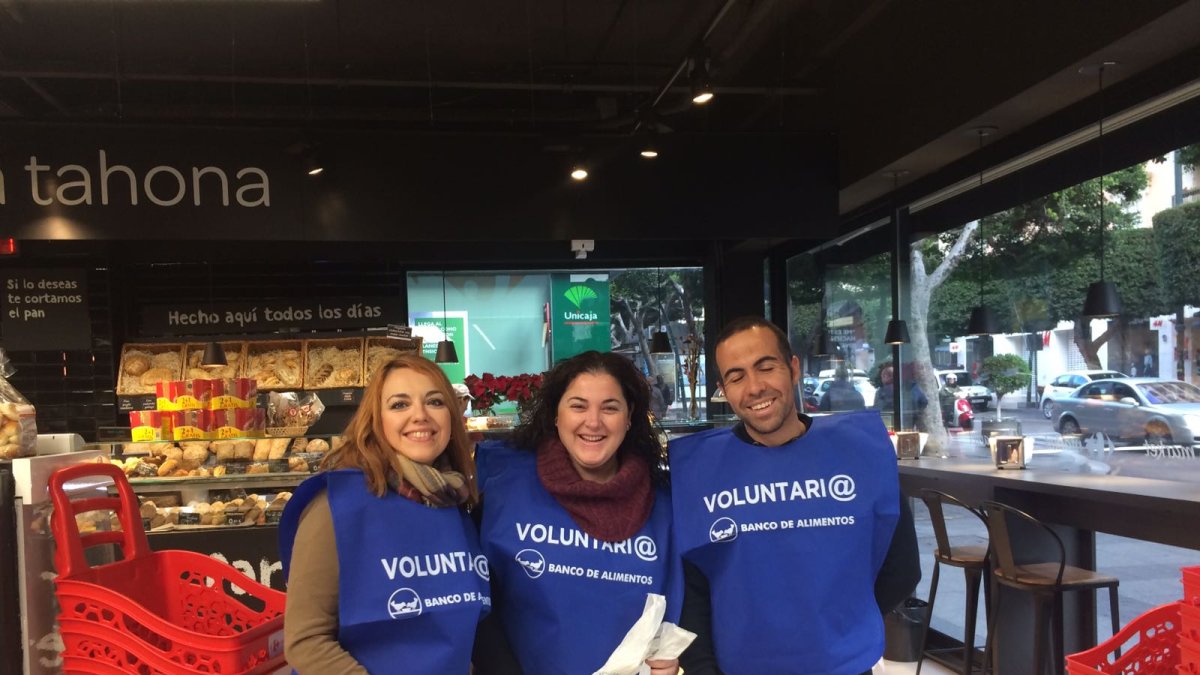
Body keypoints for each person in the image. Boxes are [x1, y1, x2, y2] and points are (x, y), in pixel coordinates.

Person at [669, 316, 920, 675]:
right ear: (724, 388)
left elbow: (902, 566)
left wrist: (841, 624)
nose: (754, 387)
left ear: (793, 368)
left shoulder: (857, 457)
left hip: (842, 664)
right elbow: (691, 590)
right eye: (736, 376)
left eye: (765, 367)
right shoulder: (701, 473)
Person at [473, 351, 681, 675]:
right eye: (578, 405)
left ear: (629, 417)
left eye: (610, 407)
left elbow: (692, 603)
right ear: (556, 414)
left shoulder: (667, 505)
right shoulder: (504, 492)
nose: (593, 421)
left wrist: (672, 662)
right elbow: (479, 610)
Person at [278, 354, 488, 674]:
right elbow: (306, 641)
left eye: (435, 401)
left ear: (452, 415)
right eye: (399, 405)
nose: (420, 415)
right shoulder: (334, 507)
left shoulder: (454, 500)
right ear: (376, 419)